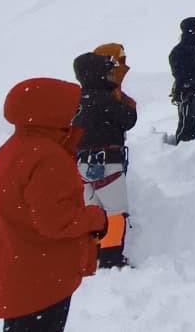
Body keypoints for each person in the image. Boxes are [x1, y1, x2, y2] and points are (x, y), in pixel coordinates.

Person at [0, 78, 109, 332]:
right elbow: (56, 221)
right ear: (51, 112)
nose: (76, 116)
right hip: (45, 280)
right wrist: (96, 219)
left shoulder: (9, 151)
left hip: (18, 275)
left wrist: (17, 227)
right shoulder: (50, 158)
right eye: (72, 109)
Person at [72, 50, 137, 269]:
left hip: (81, 162)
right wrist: (121, 96)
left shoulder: (75, 100)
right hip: (107, 160)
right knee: (115, 211)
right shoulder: (106, 99)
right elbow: (129, 119)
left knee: (93, 210)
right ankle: (111, 257)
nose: (111, 77)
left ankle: (95, 250)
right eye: (108, 73)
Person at [169, 17, 195, 144]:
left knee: (194, 123)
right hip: (187, 93)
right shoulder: (180, 50)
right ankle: (181, 150)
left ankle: (190, 150)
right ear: (190, 31)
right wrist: (187, 86)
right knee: (186, 125)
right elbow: (178, 72)